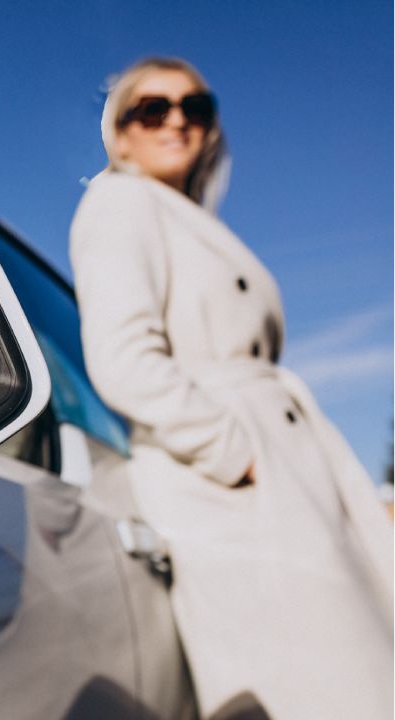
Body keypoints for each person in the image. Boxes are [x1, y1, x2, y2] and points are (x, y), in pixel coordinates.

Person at [68, 57, 394, 719]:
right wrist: (234, 453)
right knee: (326, 685)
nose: (178, 120)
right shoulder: (118, 202)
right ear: (119, 133)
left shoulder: (184, 217)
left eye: (196, 106)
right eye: (152, 108)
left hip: (281, 479)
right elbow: (124, 359)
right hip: (239, 494)